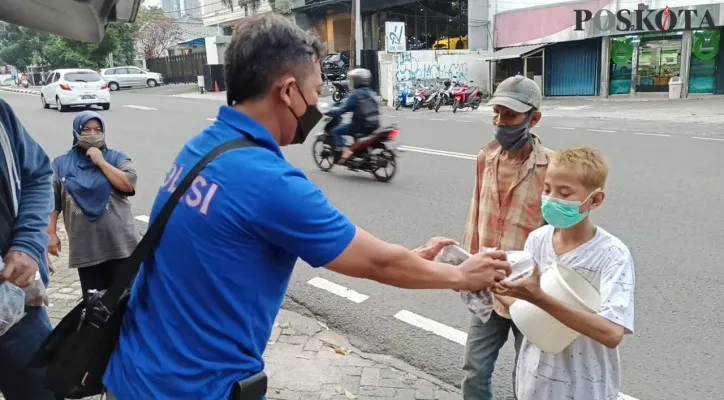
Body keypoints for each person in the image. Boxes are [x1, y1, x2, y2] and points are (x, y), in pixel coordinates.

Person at [102, 14, 512, 400]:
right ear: (287, 91)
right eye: (315, 92)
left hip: (133, 368)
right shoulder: (266, 179)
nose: (316, 107)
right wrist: (459, 274)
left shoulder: (202, 149)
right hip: (192, 387)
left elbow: (362, 252)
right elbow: (378, 264)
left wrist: (409, 259)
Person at [496, 145, 635, 400]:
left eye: (565, 193)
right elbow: (524, 306)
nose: (550, 199)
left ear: (595, 200)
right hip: (535, 380)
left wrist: (540, 298)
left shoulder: (612, 255)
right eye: (547, 189)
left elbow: (612, 333)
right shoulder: (537, 240)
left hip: (585, 386)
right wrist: (492, 284)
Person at [460, 74, 554, 400]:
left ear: (534, 118)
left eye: (511, 115)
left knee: (526, 378)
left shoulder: (551, 168)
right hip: (488, 285)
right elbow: (476, 215)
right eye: (497, 113)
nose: (500, 122)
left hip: (529, 293)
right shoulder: (486, 158)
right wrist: (468, 268)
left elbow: (562, 237)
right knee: (474, 369)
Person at [0, 97, 61, 400]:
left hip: (16, 304)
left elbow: (37, 174)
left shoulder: (1, 115)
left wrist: (26, 244)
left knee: (44, 390)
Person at [47, 111, 138, 303]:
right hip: (87, 247)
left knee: (130, 304)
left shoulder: (116, 158)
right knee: (95, 308)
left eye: (97, 130)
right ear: (76, 132)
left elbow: (127, 185)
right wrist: (51, 233)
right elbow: (52, 202)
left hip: (122, 245)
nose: (92, 134)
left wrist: (101, 162)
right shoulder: (61, 164)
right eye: (86, 130)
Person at [325, 68, 380, 162]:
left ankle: (345, 150)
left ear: (357, 81)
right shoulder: (372, 93)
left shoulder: (356, 95)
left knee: (335, 131)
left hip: (360, 126)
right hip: (374, 125)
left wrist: (330, 111)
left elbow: (343, 109)